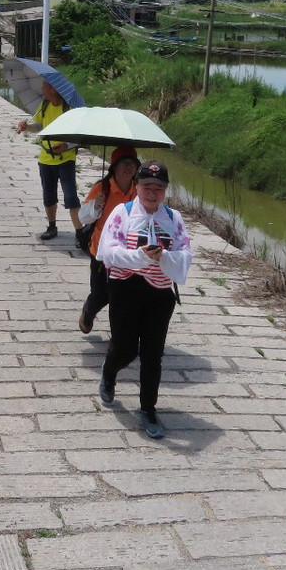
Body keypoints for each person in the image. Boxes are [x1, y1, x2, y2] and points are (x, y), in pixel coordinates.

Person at [96, 160, 192, 439]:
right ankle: (110, 370)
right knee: (126, 348)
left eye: (158, 189)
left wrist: (165, 257)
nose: (152, 194)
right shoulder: (122, 213)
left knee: (153, 355)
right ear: (137, 187)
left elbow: (186, 254)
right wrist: (139, 256)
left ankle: (148, 409)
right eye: (147, 187)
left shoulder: (173, 218)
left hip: (160, 294)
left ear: (165, 191)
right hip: (125, 289)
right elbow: (108, 251)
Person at [77, 145, 139, 334]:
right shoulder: (102, 188)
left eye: (132, 164)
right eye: (124, 163)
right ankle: (88, 311)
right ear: (114, 166)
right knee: (101, 295)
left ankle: (119, 336)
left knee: (123, 295)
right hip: (101, 251)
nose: (128, 167)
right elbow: (83, 217)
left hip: (127, 251)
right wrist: (95, 205)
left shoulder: (139, 190)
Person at [15, 80, 81, 242]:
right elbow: (40, 126)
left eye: (44, 86)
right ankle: (52, 226)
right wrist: (27, 127)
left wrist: (67, 146)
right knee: (48, 195)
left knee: (71, 197)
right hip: (46, 159)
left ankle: (80, 233)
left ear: (53, 89)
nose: (42, 89)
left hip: (66, 160)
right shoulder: (45, 105)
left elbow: (80, 135)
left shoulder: (68, 110)